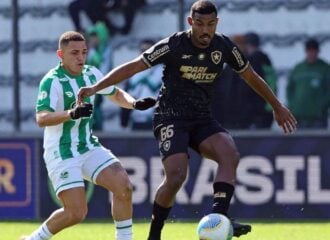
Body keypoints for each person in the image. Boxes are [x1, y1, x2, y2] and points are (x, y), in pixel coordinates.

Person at [77, 1, 297, 239]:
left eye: (210, 24)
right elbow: (134, 66)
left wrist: (277, 106)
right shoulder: (173, 44)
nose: (205, 30)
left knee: (229, 154)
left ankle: (219, 219)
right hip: (170, 117)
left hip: (201, 117)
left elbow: (250, 76)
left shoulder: (223, 46)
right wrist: (96, 87)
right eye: (200, 24)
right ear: (190, 22)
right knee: (176, 175)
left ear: (217, 23)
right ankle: (154, 234)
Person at [20, 31, 156, 240]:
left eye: (84, 52)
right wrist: (71, 113)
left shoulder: (92, 74)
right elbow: (42, 118)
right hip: (62, 150)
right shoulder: (52, 81)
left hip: (87, 146)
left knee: (124, 187)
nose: (80, 57)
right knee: (76, 213)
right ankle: (33, 239)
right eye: (74, 53)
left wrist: (134, 103)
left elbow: (116, 94)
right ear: (60, 55)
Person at [287, 38, 330, 129]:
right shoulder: (298, 68)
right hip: (298, 117)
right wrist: (292, 105)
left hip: (317, 118)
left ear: (318, 52)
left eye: (314, 51)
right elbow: (290, 88)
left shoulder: (325, 69)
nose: (311, 54)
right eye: (309, 51)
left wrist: (322, 106)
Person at [121, 39, 163, 130]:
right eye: (142, 51)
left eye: (148, 51)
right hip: (136, 121)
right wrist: (124, 120)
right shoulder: (133, 71)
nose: (145, 54)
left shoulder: (163, 71)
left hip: (155, 122)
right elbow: (127, 95)